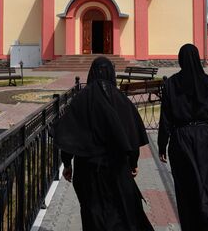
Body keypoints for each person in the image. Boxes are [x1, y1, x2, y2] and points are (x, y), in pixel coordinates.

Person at [52, 56, 154, 231]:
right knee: (119, 211)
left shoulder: (81, 99)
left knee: (94, 214)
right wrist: (133, 162)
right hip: (116, 167)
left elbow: (70, 133)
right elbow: (130, 132)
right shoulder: (120, 99)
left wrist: (67, 164)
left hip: (87, 169)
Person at [158, 44, 208, 231]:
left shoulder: (171, 84)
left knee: (187, 190)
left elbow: (166, 119)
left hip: (181, 141)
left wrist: (162, 146)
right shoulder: (207, 83)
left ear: (180, 60)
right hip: (205, 140)